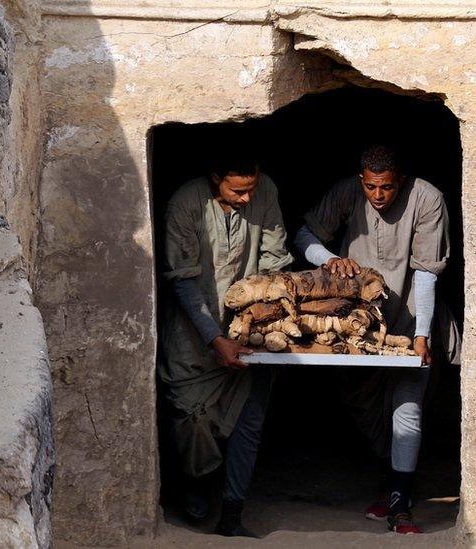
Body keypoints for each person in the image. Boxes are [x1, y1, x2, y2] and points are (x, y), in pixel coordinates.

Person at [294, 145, 450, 534]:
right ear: (360, 179)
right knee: (362, 405)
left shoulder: (427, 198)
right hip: (356, 324)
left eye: (387, 188)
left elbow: (427, 272)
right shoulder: (347, 192)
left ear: (401, 180)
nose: (378, 196)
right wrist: (328, 258)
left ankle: (400, 505)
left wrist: (421, 334)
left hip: (412, 317)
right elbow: (304, 234)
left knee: (407, 407)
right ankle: (394, 483)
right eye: (370, 187)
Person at [158, 140, 293, 538]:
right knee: (190, 420)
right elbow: (182, 280)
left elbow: (273, 257)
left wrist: (259, 318)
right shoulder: (185, 204)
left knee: (249, 425)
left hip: (251, 332)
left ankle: (233, 513)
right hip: (192, 339)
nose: (248, 196)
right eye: (238, 190)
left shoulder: (264, 189)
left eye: (251, 187)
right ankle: (198, 484)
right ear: (215, 179)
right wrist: (216, 339)